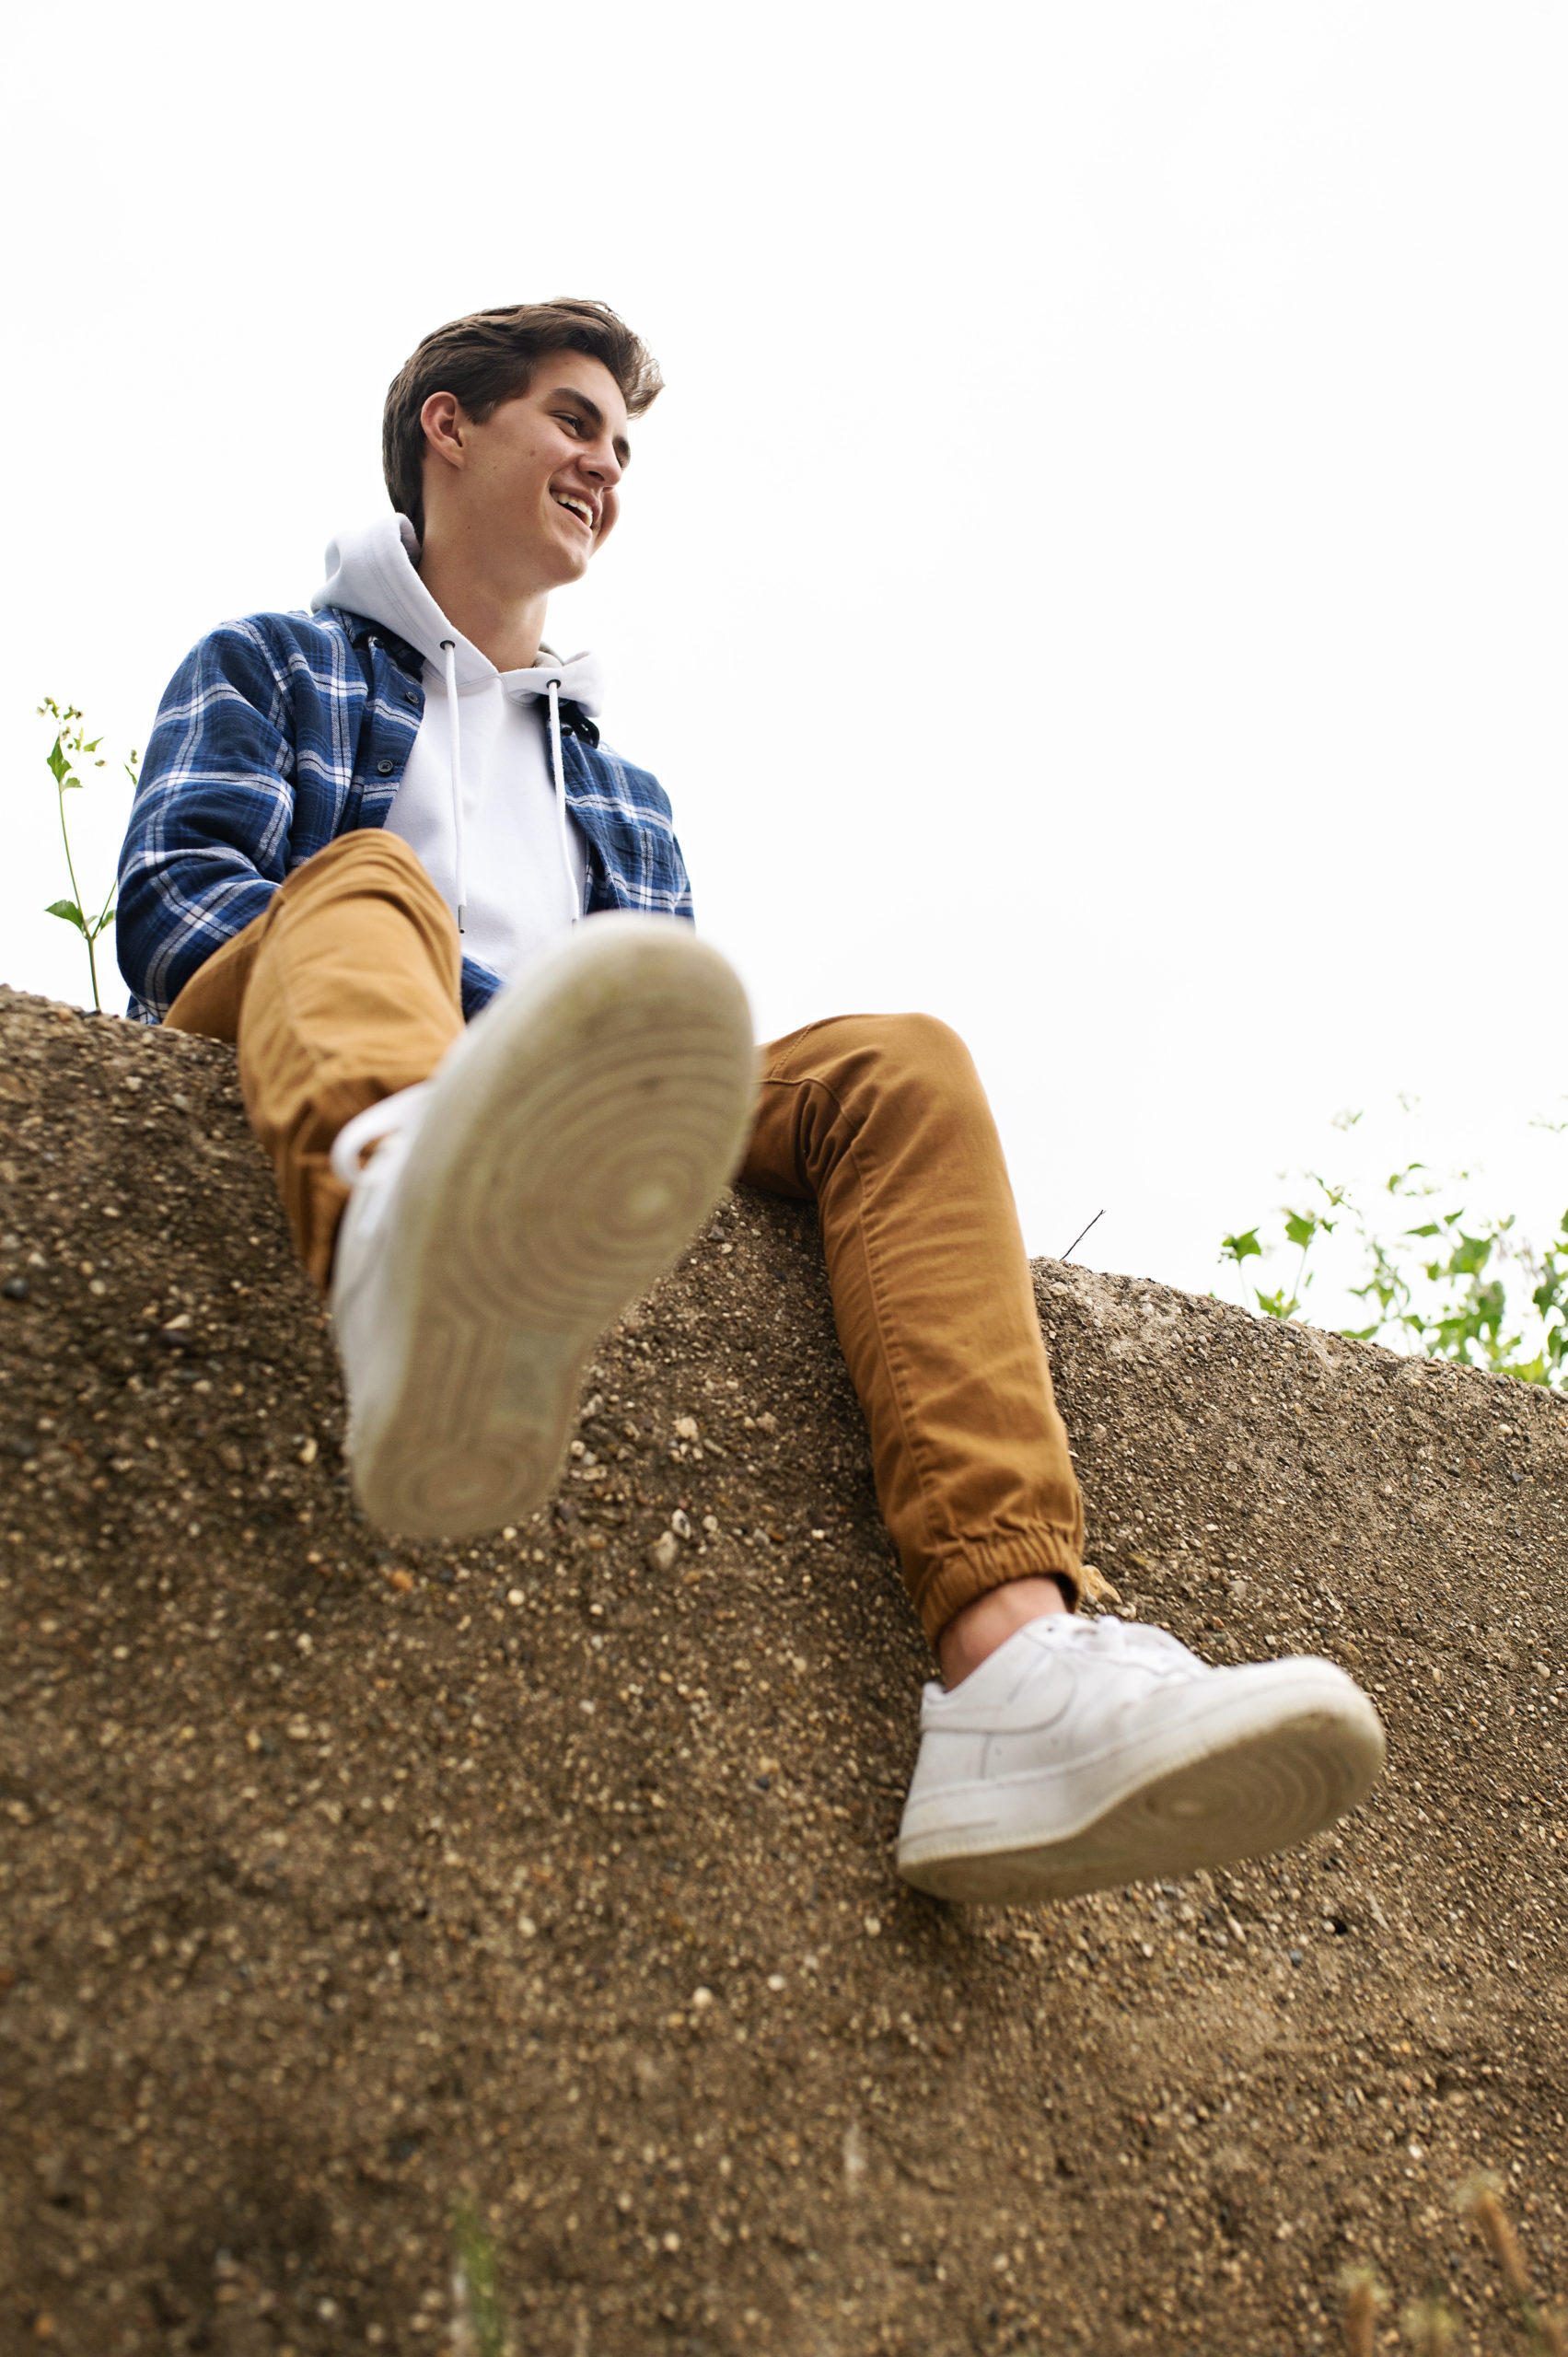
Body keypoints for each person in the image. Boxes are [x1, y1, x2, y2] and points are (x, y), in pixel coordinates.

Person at [117, 300, 1385, 1905]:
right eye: (576, 423)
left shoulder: (618, 785)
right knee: (365, 880)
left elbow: (658, 1040)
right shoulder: (273, 661)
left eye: (625, 449)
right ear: (448, 425)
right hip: (336, 1017)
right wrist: (402, 1011)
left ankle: (1015, 1671)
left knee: (897, 1062)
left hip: (557, 1108)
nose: (606, 468)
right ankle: (401, 1235)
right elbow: (177, 906)